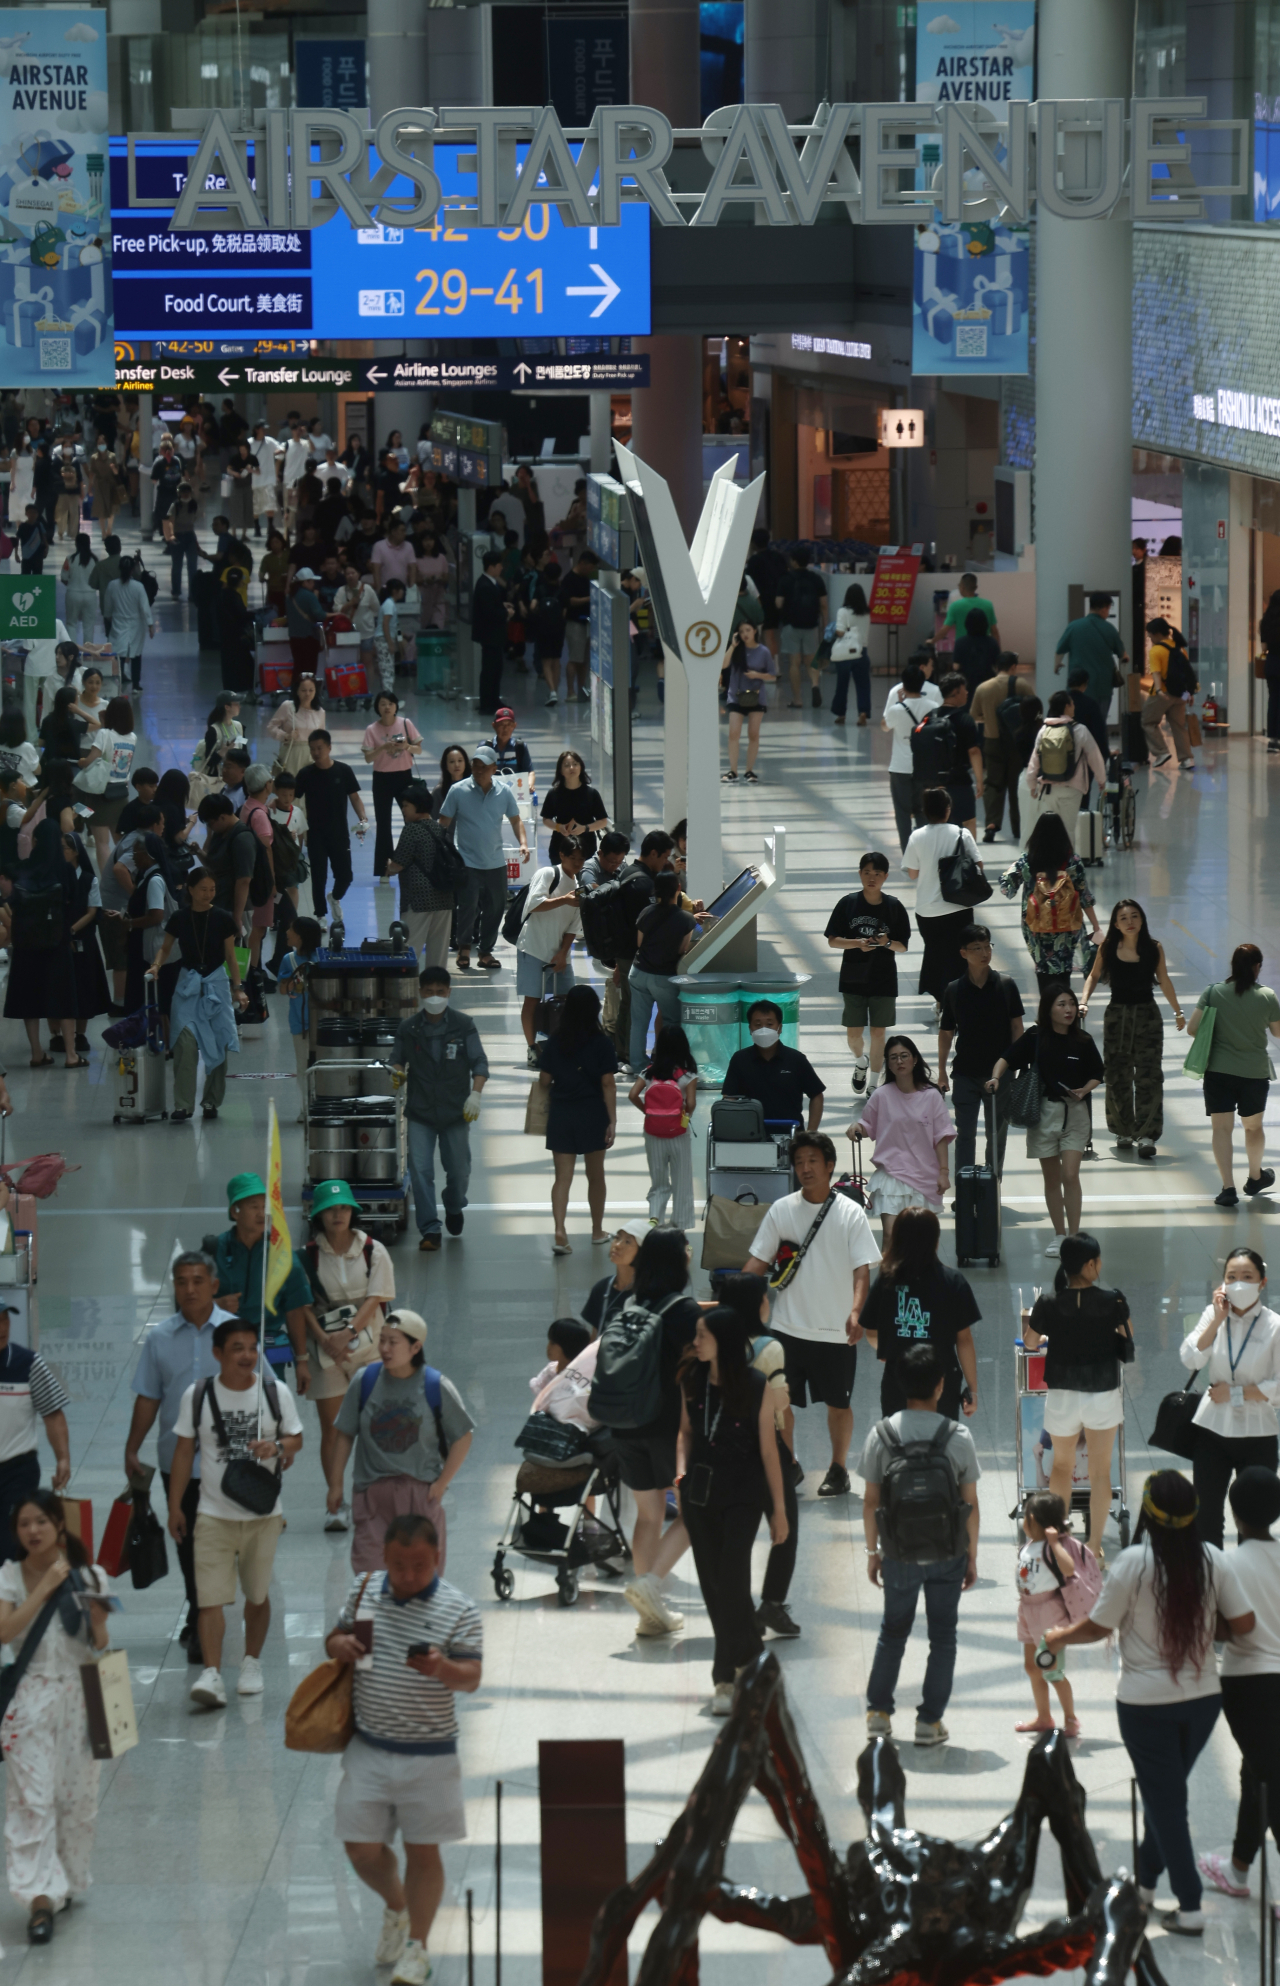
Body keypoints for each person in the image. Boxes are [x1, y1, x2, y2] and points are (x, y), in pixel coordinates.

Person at [1044, 1469, 1254, 1937]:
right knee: (1166, 1795)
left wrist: (1058, 1637)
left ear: (1150, 1515)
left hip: (1144, 1706)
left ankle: (1191, 1905)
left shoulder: (1135, 1563)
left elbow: (1099, 1626)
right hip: (1202, 1703)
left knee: (1166, 1803)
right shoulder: (1212, 1560)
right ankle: (1141, 1886)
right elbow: (1241, 1624)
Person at [325, 1512, 482, 1986]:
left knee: (424, 1852)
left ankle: (418, 1945)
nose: (408, 1575)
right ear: (385, 1558)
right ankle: (397, 1908)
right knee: (360, 1848)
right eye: (398, 1565)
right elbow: (333, 1638)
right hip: (369, 1746)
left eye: (418, 1565)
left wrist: (441, 1669)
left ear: (436, 1557)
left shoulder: (460, 1609)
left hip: (430, 1753)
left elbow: (472, 1677)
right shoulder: (365, 1590)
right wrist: (341, 1644)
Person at [167, 1318, 303, 1709]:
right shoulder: (197, 1396)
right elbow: (182, 1453)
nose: (247, 1355)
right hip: (212, 1513)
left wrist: (277, 1447)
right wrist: (176, 1505)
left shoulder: (274, 1392)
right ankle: (212, 1673)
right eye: (237, 1348)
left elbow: (297, 1438)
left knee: (257, 1596)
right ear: (218, 1354)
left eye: (252, 1347)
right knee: (209, 1599)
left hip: (263, 1515)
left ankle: (251, 1662)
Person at [0, 1490, 113, 1943]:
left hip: (84, 1695)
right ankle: (38, 1899)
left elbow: (100, 1643)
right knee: (32, 1797)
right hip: (29, 1698)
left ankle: (62, 1881)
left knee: (77, 1799)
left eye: (41, 1522)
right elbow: (4, 1631)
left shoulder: (91, 1575)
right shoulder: (9, 1576)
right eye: (24, 1524)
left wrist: (99, 1619)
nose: (32, 1531)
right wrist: (44, 1587)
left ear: (58, 1526)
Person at [742, 1131, 880, 1498]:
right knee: (780, 1402)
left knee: (839, 1404)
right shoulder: (782, 1209)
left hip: (835, 1330)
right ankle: (789, 1464)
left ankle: (838, 1468)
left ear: (830, 1166)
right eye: (799, 1162)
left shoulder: (850, 1213)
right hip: (787, 1327)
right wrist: (734, 1298)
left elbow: (862, 1270)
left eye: (813, 1161)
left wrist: (856, 1311)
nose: (805, 1168)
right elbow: (758, 1260)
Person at [858, 1341, 981, 1749]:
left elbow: (872, 1501)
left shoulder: (882, 1435)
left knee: (893, 1630)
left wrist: (874, 1553)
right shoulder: (958, 1436)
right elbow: (970, 1504)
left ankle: (878, 1713)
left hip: (898, 1552)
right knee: (943, 1634)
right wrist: (971, 1555)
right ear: (941, 1386)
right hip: (948, 1551)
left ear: (900, 1383)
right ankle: (929, 1722)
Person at [676, 1306, 788, 1715]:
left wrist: (779, 1509)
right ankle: (753, 1656)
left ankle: (723, 1677)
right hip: (700, 1495)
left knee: (733, 1579)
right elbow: (685, 1433)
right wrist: (681, 1475)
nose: (696, 1342)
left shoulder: (756, 1385)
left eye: (703, 1335)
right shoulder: (692, 1379)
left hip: (744, 1495)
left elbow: (768, 1451)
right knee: (712, 1584)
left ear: (722, 1341)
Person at [590, 1226, 699, 1634]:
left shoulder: (631, 1303)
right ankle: (649, 1584)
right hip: (668, 1427)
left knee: (649, 1515)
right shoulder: (684, 1311)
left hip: (624, 1423)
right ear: (679, 1259)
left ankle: (648, 1615)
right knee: (693, 1517)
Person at [327, 1310, 474, 1572]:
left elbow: (463, 1436)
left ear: (415, 1347)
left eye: (393, 1342)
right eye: (381, 1340)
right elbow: (345, 1433)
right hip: (372, 1495)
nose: (384, 1348)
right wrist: (335, 1484)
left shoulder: (435, 1385)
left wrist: (441, 1484)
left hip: (418, 1494)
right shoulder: (365, 1381)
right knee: (369, 1577)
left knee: (420, 1578)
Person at [1023, 1234, 1133, 1557]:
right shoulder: (1113, 1300)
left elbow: (1030, 1342)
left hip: (1062, 1394)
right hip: (1102, 1392)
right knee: (1100, 1471)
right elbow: (1128, 1337)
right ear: (1089, 1265)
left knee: (1060, 1467)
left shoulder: (1047, 1302)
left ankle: (1058, 1540)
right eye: (1097, 1260)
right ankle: (1095, 1547)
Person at [1201, 1468, 1280, 1901]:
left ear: (1232, 1513)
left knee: (1267, 1776)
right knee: (1258, 1772)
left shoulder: (1227, 1564)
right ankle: (1237, 1869)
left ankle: (1241, 1871)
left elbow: (1218, 1630)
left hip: (1248, 1684)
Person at [299, 1179, 394, 1532]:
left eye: (343, 1208)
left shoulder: (374, 1250)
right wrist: (325, 1339)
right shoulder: (306, 1256)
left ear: (353, 1211)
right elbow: (302, 1305)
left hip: (370, 1349)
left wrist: (349, 1333)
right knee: (333, 1429)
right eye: (330, 1209)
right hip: (325, 1354)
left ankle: (372, 1498)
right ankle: (335, 1501)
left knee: (374, 1425)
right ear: (318, 1215)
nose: (338, 1215)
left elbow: (376, 1297)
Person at [990, 982, 1104, 1255]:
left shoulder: (1083, 1040)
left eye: (1072, 1004)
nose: (1069, 1010)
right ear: (1048, 1009)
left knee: (1070, 1174)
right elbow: (1007, 1058)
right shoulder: (1036, 1037)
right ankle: (1059, 1235)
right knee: (1052, 1179)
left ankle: (1074, 1237)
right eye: (1061, 1004)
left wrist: (1084, 1090)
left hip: (1075, 1113)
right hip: (1043, 1114)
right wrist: (995, 1077)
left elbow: (1097, 1072)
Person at [1179, 1248, 1280, 1550]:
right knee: (1206, 1517)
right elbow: (1190, 1358)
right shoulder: (1213, 1315)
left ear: (1262, 1282)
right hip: (1213, 1431)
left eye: (1247, 1277)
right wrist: (1216, 1320)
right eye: (1231, 1277)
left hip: (1258, 1433)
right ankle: (1212, 1585)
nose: (1238, 1284)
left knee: (1254, 1521)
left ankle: (1247, 1585)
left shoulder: (1274, 1325)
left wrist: (1235, 1393)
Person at [392, 964, 488, 1253]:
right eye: (429, 992)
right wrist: (396, 1073)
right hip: (420, 1111)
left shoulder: (463, 1024)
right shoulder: (409, 1029)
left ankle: (454, 1204)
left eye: (440, 992)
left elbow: (479, 1063)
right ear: (420, 992)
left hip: (456, 1111)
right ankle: (430, 1228)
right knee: (420, 1170)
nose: (435, 996)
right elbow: (396, 1058)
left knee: (459, 1171)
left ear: (449, 992)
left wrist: (476, 1094)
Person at [1080, 899, 1186, 1159]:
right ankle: (1122, 1129)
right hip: (1117, 1016)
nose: (1130, 922)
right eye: (1124, 918)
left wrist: (1178, 1011)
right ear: (1115, 923)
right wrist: (1084, 1000)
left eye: (1135, 916)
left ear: (1142, 920)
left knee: (1149, 1074)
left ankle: (1148, 1133)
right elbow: (1094, 975)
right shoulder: (1107, 948)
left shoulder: (1153, 948)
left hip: (1147, 1016)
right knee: (1117, 1073)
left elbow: (1164, 980)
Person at [860, 1207, 979, 1417]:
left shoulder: (886, 1281)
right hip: (942, 1381)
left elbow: (870, 1331)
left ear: (897, 1239)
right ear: (935, 1240)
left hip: (898, 1380)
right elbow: (964, 1339)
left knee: (898, 1440)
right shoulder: (953, 1282)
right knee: (941, 1442)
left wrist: (889, 1346)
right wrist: (973, 1390)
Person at [1187, 944, 1280, 1208]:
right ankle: (1254, 1177)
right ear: (1257, 967)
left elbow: (1193, 1028)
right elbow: (1278, 1032)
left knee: (1221, 1129)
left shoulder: (1213, 992)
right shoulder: (1267, 996)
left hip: (1218, 1071)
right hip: (1254, 1073)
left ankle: (1228, 1187)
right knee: (1253, 1127)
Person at [937, 923, 1024, 1177]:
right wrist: (942, 1071)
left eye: (988, 946)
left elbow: (1017, 1027)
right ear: (963, 952)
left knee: (996, 1133)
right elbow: (946, 1033)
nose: (985, 953)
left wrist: (1015, 1067)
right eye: (977, 948)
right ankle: (965, 1189)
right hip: (965, 1073)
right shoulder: (954, 990)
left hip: (999, 1073)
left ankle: (991, 1187)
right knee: (965, 1134)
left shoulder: (1006, 985)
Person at [202, 1171, 312, 1372]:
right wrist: (216, 1305)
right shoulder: (214, 1250)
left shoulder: (281, 1254)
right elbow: (190, 1303)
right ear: (235, 1212)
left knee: (270, 1401)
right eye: (254, 1207)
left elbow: (295, 1310)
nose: (262, 1214)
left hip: (268, 1350)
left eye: (265, 1207)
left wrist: (302, 1361)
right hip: (223, 1351)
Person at [851, 1039, 956, 1246]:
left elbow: (941, 1136)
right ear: (888, 1065)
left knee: (921, 1242)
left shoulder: (932, 1096)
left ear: (915, 1059)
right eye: (893, 1058)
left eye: (904, 1055)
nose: (899, 1061)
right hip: (891, 1176)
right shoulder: (881, 1095)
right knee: (891, 1236)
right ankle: (890, 1278)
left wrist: (943, 1172)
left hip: (924, 1178)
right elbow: (867, 1125)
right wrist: (856, 1127)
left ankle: (920, 1279)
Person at [538, 985, 618, 1253]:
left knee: (563, 1178)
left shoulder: (555, 1041)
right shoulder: (603, 1043)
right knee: (596, 1176)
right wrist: (612, 1120)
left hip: (562, 1112)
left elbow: (544, 1079)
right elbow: (608, 1084)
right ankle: (596, 1231)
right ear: (595, 1009)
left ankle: (560, 1230)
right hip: (592, 1112)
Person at [825, 852, 911, 1096]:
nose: (872, 878)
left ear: (885, 876)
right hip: (853, 977)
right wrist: (856, 943)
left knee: (878, 1032)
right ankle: (860, 1060)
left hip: (883, 978)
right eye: (867, 873)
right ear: (860, 873)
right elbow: (832, 941)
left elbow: (902, 946)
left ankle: (874, 1083)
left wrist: (885, 943)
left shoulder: (894, 906)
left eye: (877, 874)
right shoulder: (848, 903)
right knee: (854, 1033)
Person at [439, 745, 529, 972]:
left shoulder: (504, 792)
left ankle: (486, 951)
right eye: (475, 766)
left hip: (495, 861)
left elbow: (516, 819)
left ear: (494, 768)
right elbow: (443, 822)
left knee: (496, 908)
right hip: (467, 861)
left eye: (483, 767)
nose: (478, 770)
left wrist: (524, 843)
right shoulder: (458, 790)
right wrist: (438, 850)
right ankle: (464, 948)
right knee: (467, 907)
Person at [1014, 1491, 1092, 1737]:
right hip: (1027, 1610)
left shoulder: (1054, 1547)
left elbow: (1068, 1569)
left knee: (1052, 1670)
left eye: (1025, 1517)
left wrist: (1055, 1543)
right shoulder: (1028, 1546)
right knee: (1031, 1666)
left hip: (1049, 1611)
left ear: (1033, 1520)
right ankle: (1044, 1717)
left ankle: (1071, 1719)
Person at [999, 812, 1100, 989]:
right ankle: (1065, 1009)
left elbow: (1006, 886)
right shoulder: (1073, 862)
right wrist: (1096, 927)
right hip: (1068, 927)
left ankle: (1049, 1010)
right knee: (1064, 972)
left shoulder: (1027, 861)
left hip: (1036, 928)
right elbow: (1084, 896)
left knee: (1044, 971)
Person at [0, 1301, 70, 1555]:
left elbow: (52, 1414)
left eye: (5, 1319)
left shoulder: (28, 1364)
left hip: (17, 1472)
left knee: (12, 1549)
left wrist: (63, 1458)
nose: (2, 1328)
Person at [903, 787, 983, 1008]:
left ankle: (941, 1001)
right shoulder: (961, 833)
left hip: (927, 910)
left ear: (925, 811)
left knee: (935, 955)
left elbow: (912, 873)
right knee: (960, 956)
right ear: (948, 810)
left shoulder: (917, 836)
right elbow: (978, 865)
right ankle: (958, 1001)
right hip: (959, 906)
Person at [516, 843, 584, 1063]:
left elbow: (574, 926)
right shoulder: (547, 874)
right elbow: (533, 904)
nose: (578, 863)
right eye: (573, 858)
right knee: (532, 1000)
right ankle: (532, 1047)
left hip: (559, 953)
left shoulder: (577, 885)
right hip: (534, 947)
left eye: (581, 859)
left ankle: (562, 1044)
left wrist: (564, 952)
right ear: (562, 855)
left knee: (568, 1000)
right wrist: (564, 899)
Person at [295, 730, 367, 931]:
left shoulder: (343, 771)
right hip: (316, 834)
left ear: (329, 747)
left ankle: (334, 897)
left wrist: (363, 818)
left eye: (319, 748)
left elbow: (355, 798)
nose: (316, 753)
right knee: (318, 876)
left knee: (345, 876)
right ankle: (320, 915)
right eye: (312, 749)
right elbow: (291, 797)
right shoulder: (306, 774)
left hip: (339, 833)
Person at [628, 1023, 699, 1229]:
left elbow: (632, 1095)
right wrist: (683, 1117)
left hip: (653, 1132)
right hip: (678, 1132)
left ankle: (654, 1218)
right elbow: (691, 1103)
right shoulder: (688, 1075)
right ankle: (679, 1224)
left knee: (658, 1180)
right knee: (682, 1180)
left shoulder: (649, 1072)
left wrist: (647, 1111)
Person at [627, 870, 698, 1073]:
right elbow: (682, 950)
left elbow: (639, 943)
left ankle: (639, 1066)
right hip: (664, 977)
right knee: (671, 1022)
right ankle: (668, 1064)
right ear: (678, 888)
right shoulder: (686, 919)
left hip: (639, 972)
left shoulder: (646, 912)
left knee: (639, 1022)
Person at [722, 1001, 826, 1130]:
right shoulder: (740, 1059)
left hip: (790, 1133)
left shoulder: (796, 1059)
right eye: (758, 1025)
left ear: (780, 1028)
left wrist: (810, 1133)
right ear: (750, 1029)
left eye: (770, 1024)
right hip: (750, 1134)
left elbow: (816, 1095)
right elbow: (729, 1098)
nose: (764, 1029)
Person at [386, 785, 453, 971]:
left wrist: (388, 867)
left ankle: (407, 993)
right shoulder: (440, 829)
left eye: (406, 805)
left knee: (409, 952)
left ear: (418, 806)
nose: (403, 810)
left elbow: (397, 865)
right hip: (444, 899)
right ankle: (437, 996)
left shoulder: (412, 830)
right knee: (438, 956)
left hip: (418, 900)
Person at [1025, 690, 1107, 842]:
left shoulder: (1044, 730)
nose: (1074, 706)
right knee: (1068, 831)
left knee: (1050, 831)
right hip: (1072, 789)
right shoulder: (1080, 730)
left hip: (1048, 789)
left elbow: (1034, 761)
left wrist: (1031, 785)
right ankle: (1068, 865)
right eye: (1072, 703)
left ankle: (1053, 864)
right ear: (1066, 706)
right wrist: (1101, 780)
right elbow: (1094, 757)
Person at [971, 655, 1033, 843]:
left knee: (993, 784)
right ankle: (1018, 827)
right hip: (1017, 742)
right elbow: (1034, 709)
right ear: (1014, 666)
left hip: (992, 740)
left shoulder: (984, 687)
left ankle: (991, 823)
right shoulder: (1022, 685)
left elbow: (974, 715)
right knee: (1016, 784)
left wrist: (989, 719)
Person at [363, 692, 423, 879]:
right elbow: (367, 758)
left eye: (390, 703)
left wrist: (405, 746)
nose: (387, 707)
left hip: (404, 777)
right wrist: (383, 748)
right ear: (377, 708)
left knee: (411, 821)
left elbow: (419, 749)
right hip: (381, 779)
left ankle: (413, 864)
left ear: (396, 706)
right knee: (383, 824)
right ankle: (384, 869)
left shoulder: (406, 724)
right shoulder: (372, 730)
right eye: (382, 704)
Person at [882, 663, 942, 852]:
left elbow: (884, 726)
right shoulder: (933, 708)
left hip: (900, 767)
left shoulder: (897, 709)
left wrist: (898, 702)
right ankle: (924, 851)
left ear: (903, 685)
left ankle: (908, 855)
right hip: (925, 767)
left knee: (902, 812)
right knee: (923, 811)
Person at [721, 620, 779, 780]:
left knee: (753, 734)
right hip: (736, 696)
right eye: (741, 631)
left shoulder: (763, 651)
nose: (745, 634)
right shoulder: (736, 650)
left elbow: (772, 675)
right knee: (734, 733)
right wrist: (732, 646)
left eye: (748, 630)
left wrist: (757, 675)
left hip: (756, 697)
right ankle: (733, 770)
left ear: (755, 631)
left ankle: (749, 770)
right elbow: (723, 665)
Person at [278, 914, 321, 1121]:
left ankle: (322, 1103)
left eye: (291, 930)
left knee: (322, 1064)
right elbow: (281, 989)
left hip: (322, 1022)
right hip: (299, 1023)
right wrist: (290, 984)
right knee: (302, 1066)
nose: (287, 933)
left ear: (302, 936)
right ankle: (306, 1108)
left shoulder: (321, 958)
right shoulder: (289, 960)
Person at [1053, 591, 1127, 709]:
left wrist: (1056, 665)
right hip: (1103, 687)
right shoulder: (1110, 629)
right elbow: (1123, 655)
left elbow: (1060, 650)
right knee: (1099, 724)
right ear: (1105, 608)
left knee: (1076, 724)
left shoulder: (1074, 626)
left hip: (1077, 688)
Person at [930, 671, 984, 832]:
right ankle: (968, 857)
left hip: (933, 783)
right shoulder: (964, 719)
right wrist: (980, 781)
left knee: (937, 825)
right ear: (955, 693)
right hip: (959, 782)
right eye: (964, 689)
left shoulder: (929, 718)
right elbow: (973, 751)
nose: (967, 692)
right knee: (968, 824)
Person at [1142, 616, 1196, 769]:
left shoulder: (1156, 651)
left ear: (1157, 633)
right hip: (1180, 694)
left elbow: (1157, 674)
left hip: (1163, 694)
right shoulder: (1179, 649)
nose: (1149, 637)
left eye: (1149, 634)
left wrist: (1159, 691)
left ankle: (1161, 752)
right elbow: (1187, 674)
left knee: (1147, 721)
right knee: (1179, 726)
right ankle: (1187, 759)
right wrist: (1189, 694)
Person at [777, 548, 828, 707]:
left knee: (794, 662)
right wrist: (825, 624)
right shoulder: (816, 578)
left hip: (791, 625)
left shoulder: (785, 579)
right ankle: (814, 685)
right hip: (811, 624)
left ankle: (797, 699)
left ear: (793, 561)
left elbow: (778, 603)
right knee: (811, 660)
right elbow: (824, 604)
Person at [581, 1218, 647, 1334]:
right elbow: (595, 1336)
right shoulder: (602, 1288)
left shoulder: (649, 1293)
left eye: (628, 1242)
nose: (617, 1245)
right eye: (617, 1237)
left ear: (642, 1252)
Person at [540, 750, 608, 858]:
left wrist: (585, 828)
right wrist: (558, 827)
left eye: (575, 764)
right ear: (561, 771)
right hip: (560, 845)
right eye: (567, 765)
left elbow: (603, 821)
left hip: (586, 846)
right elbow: (546, 819)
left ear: (581, 767)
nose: (571, 768)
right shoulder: (554, 793)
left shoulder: (591, 794)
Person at [556, 550, 599, 704]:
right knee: (575, 657)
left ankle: (582, 689)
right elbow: (570, 601)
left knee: (584, 659)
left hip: (586, 622)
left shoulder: (585, 578)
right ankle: (570, 691)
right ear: (582, 563)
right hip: (575, 623)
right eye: (590, 567)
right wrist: (589, 598)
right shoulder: (569, 579)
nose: (591, 570)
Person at [265, 672, 326, 780]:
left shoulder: (320, 712)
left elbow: (322, 737)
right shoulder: (288, 706)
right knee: (292, 788)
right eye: (303, 690)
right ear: (297, 691)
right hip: (292, 753)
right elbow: (271, 727)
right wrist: (285, 736)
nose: (307, 694)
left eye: (311, 690)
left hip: (312, 755)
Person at [472, 547, 511, 713]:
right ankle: (487, 703)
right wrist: (506, 613)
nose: (501, 568)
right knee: (490, 670)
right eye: (499, 565)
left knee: (496, 668)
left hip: (493, 635)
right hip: (489, 634)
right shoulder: (485, 586)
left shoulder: (489, 584)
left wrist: (502, 606)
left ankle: (494, 700)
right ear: (491, 567)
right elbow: (489, 612)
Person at [830, 582, 871, 726]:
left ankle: (841, 714)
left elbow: (840, 632)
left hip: (845, 653)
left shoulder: (843, 611)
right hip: (861, 651)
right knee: (863, 685)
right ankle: (863, 712)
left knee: (842, 684)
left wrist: (834, 630)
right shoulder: (866, 613)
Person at [286, 568, 324, 694]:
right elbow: (320, 615)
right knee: (309, 668)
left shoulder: (289, 596)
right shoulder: (309, 596)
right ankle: (309, 693)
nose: (313, 584)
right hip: (309, 636)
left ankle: (295, 692)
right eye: (311, 581)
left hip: (294, 637)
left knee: (298, 666)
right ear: (304, 582)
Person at [953, 606, 1000, 707]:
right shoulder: (992, 642)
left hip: (966, 684)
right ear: (985, 624)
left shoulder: (960, 642)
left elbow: (956, 666)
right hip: (988, 682)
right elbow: (998, 665)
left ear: (967, 624)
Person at [940, 572, 999, 646]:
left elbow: (945, 630)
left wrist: (933, 640)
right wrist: (998, 654)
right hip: (984, 649)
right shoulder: (988, 605)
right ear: (976, 587)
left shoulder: (955, 605)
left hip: (964, 648)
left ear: (962, 587)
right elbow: (994, 631)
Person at [59, 534, 96, 647]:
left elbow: (64, 578)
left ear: (76, 544)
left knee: (71, 624)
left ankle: (72, 652)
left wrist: (72, 584)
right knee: (88, 625)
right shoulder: (95, 560)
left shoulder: (69, 559)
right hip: (90, 595)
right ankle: (88, 653)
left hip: (73, 593)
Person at [1259, 589, 1280, 755]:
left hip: (1272, 663)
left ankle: (1273, 740)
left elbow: (1264, 648)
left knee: (1273, 701)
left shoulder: (1265, 621)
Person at [486, 706, 533, 777]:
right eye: (501, 724)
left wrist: (530, 784)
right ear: (494, 725)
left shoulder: (520, 747)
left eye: (509, 725)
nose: (505, 729)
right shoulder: (486, 747)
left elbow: (530, 772)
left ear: (514, 725)